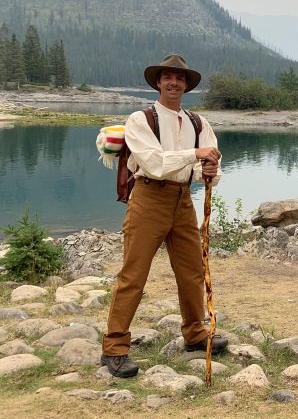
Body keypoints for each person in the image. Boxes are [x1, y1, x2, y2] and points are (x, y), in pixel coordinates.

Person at [100, 54, 227, 378]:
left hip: (182, 200)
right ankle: (114, 348)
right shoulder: (141, 119)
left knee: (192, 271)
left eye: (180, 79)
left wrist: (209, 169)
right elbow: (154, 163)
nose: (174, 83)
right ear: (158, 82)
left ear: (186, 85)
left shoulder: (199, 123)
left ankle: (195, 334)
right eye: (168, 77)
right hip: (148, 198)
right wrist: (194, 155)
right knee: (134, 275)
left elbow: (206, 166)